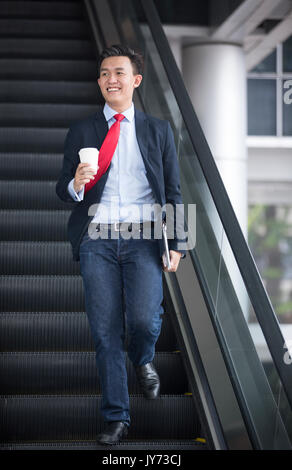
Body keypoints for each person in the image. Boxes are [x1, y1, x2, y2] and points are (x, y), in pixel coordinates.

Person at [56, 44, 186, 445]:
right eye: (104, 74)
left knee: (144, 321)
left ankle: (144, 360)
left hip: (143, 237)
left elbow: (174, 192)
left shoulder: (158, 130)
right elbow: (62, 190)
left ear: (136, 80)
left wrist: (179, 242)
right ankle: (116, 416)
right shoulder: (81, 131)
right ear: (99, 82)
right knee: (105, 331)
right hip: (96, 236)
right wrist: (76, 184)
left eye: (118, 72)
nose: (111, 79)